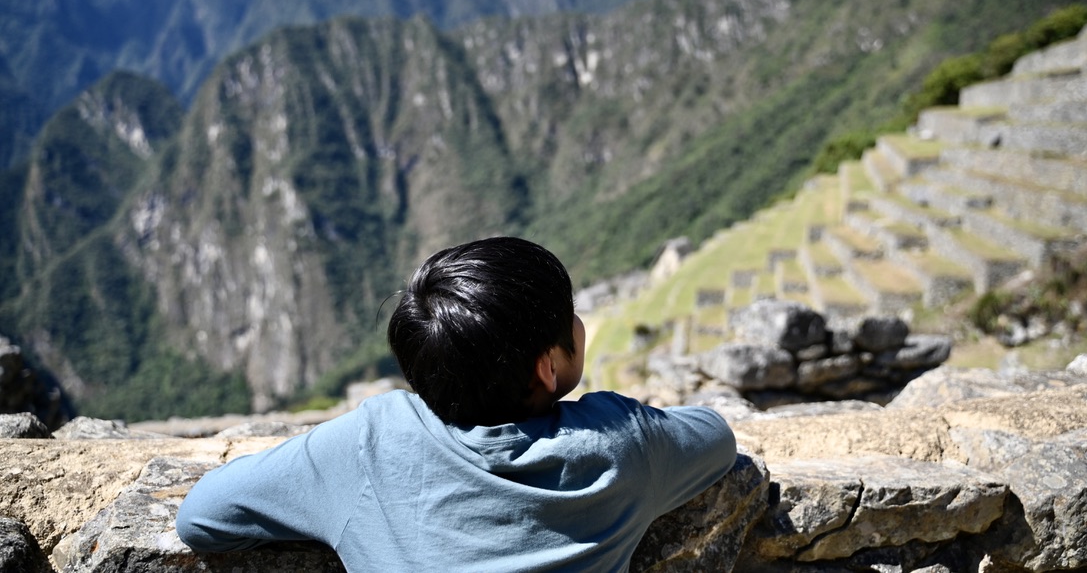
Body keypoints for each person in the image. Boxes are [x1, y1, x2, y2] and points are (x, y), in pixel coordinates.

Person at [176, 236, 736, 571]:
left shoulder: (369, 446)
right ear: (548, 366)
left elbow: (202, 516)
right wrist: (618, 416)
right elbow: (715, 436)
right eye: (571, 315)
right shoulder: (624, 446)